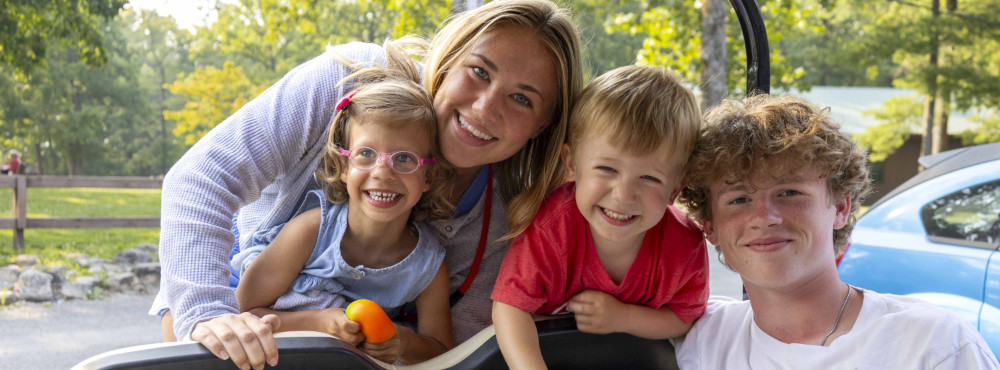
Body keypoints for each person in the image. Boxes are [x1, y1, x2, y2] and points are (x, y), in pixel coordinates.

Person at [150, 1, 583, 369]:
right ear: (449, 59)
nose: (486, 108)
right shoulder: (346, 82)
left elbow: (454, 353)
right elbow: (203, 178)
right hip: (236, 310)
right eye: (479, 71)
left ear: (544, 126)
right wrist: (208, 313)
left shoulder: (508, 218)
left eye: (522, 98)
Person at [672, 94, 1000, 369]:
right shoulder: (703, 338)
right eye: (739, 199)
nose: (764, 217)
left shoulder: (934, 345)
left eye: (789, 193)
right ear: (710, 226)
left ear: (840, 208)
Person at [232, 39, 454, 364]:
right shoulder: (312, 230)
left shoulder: (429, 265)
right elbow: (244, 311)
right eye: (366, 154)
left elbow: (442, 349)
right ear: (344, 167)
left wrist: (402, 341)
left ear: (428, 178)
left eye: (404, 159)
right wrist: (319, 322)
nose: (383, 172)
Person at [491, 65, 709, 369]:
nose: (623, 194)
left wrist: (624, 318)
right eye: (607, 169)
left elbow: (684, 317)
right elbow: (510, 308)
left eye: (648, 178)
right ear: (571, 165)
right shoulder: (553, 227)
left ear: (675, 189)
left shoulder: (683, 246)